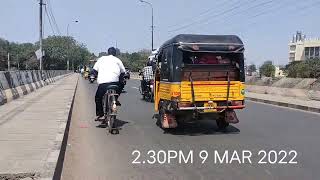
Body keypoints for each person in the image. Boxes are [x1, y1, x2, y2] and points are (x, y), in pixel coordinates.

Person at [93, 47, 126, 121]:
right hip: (115, 83)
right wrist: (120, 78)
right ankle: (116, 98)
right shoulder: (117, 60)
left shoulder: (101, 59)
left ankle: (100, 114)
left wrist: (94, 75)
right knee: (122, 84)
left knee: (98, 98)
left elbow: (94, 70)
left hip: (103, 84)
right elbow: (123, 72)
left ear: (108, 53)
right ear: (115, 53)